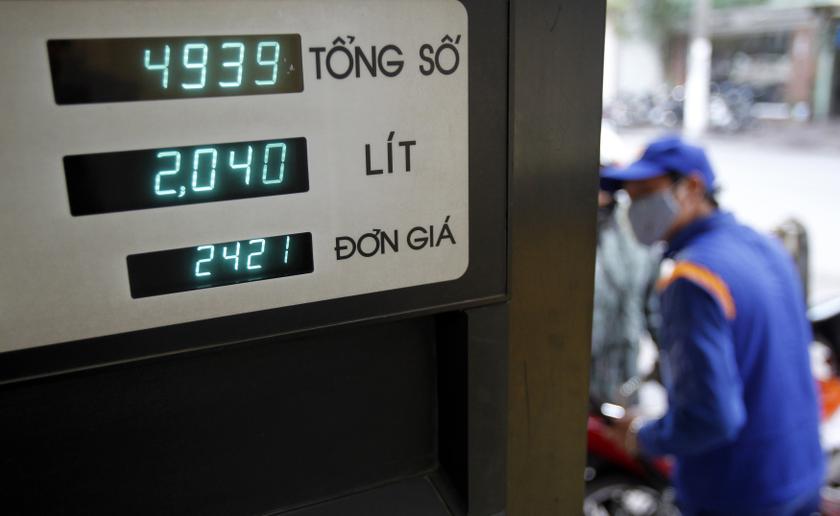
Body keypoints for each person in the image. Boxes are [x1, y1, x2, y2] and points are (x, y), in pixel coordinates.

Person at [602, 136, 824, 515]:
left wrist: (641, 436)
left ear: (692, 187)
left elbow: (712, 418)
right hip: (801, 472)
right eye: (631, 197)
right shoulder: (764, 246)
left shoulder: (693, 279)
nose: (636, 209)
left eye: (647, 193)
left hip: (737, 492)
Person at [590, 172, 660, 405]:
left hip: (623, 372)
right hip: (576, 370)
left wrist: (668, 357)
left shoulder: (638, 230)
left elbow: (652, 305)